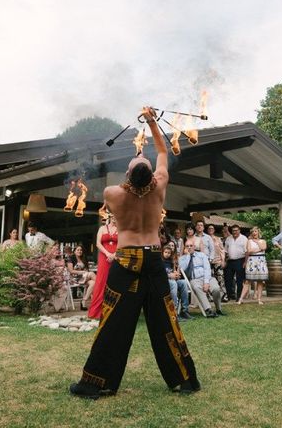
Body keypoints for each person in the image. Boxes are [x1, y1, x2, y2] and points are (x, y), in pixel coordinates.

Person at [70, 107, 199, 399]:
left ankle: (97, 383)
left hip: (126, 260)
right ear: (152, 175)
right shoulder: (160, 187)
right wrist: (153, 122)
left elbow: (132, 182)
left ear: (127, 176)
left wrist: (135, 168)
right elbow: (163, 152)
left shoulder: (113, 194)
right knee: (165, 320)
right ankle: (184, 380)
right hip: (153, 258)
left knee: (114, 322)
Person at [179, 241, 223, 316]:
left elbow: (207, 269)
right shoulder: (182, 259)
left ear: (194, 247)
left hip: (207, 277)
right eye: (187, 246)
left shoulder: (202, 255)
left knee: (216, 289)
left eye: (191, 245)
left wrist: (206, 282)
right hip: (194, 279)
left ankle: (218, 309)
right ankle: (208, 310)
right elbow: (183, 268)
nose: (189, 247)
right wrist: (188, 256)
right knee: (197, 287)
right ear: (185, 248)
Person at [89, 215, 118, 319]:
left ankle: (112, 311)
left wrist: (114, 255)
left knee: (114, 282)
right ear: (110, 216)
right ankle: (96, 312)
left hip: (116, 258)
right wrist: (107, 253)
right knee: (101, 281)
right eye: (113, 216)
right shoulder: (102, 228)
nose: (115, 218)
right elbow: (97, 243)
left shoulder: (121, 229)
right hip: (104, 257)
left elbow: (123, 244)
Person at [238, 226, 267, 305]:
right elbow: (249, 251)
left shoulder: (263, 240)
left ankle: (259, 299)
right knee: (248, 280)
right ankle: (241, 299)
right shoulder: (249, 241)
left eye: (256, 231)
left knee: (260, 281)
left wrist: (258, 243)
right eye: (253, 232)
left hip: (261, 261)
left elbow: (264, 247)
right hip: (252, 261)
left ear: (258, 232)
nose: (254, 233)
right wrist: (260, 249)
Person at [162, 245, 191, 320]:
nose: (167, 254)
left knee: (183, 282)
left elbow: (173, 271)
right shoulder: (160, 262)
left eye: (169, 253)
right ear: (162, 252)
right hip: (164, 281)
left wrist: (176, 274)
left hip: (172, 280)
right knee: (173, 283)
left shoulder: (171, 262)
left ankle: (185, 310)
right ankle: (174, 312)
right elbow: (159, 274)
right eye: (165, 252)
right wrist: (169, 275)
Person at [66, 245, 96, 311]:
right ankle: (101, 292)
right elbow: (71, 271)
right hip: (74, 278)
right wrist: (82, 272)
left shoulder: (84, 258)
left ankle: (84, 301)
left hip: (84, 277)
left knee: (93, 283)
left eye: (81, 250)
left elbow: (86, 269)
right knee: (91, 274)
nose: (80, 251)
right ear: (74, 251)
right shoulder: (70, 258)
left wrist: (85, 272)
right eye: (78, 250)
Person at [224, 224, 247, 301]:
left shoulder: (244, 238)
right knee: (228, 279)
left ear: (239, 230)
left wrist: (245, 262)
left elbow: (247, 252)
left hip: (240, 260)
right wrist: (224, 261)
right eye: (233, 230)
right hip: (230, 261)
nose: (235, 232)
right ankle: (229, 296)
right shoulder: (228, 239)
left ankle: (239, 296)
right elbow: (225, 251)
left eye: (236, 230)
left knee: (239, 280)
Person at [206, 224, 227, 302]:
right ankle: (210, 297)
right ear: (207, 230)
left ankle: (223, 296)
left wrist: (223, 260)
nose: (211, 229)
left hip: (217, 261)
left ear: (214, 230)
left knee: (220, 279)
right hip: (208, 262)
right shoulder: (205, 238)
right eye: (209, 228)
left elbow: (222, 250)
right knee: (209, 279)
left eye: (212, 228)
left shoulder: (218, 239)